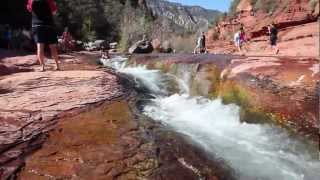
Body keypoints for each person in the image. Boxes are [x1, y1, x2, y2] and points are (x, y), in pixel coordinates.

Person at [27, 0, 60, 71]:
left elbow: (29, 9)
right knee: (52, 46)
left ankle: (42, 67)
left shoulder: (31, 0)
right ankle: (57, 65)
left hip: (37, 25)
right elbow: (54, 12)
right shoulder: (49, 0)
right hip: (49, 24)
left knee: (40, 46)